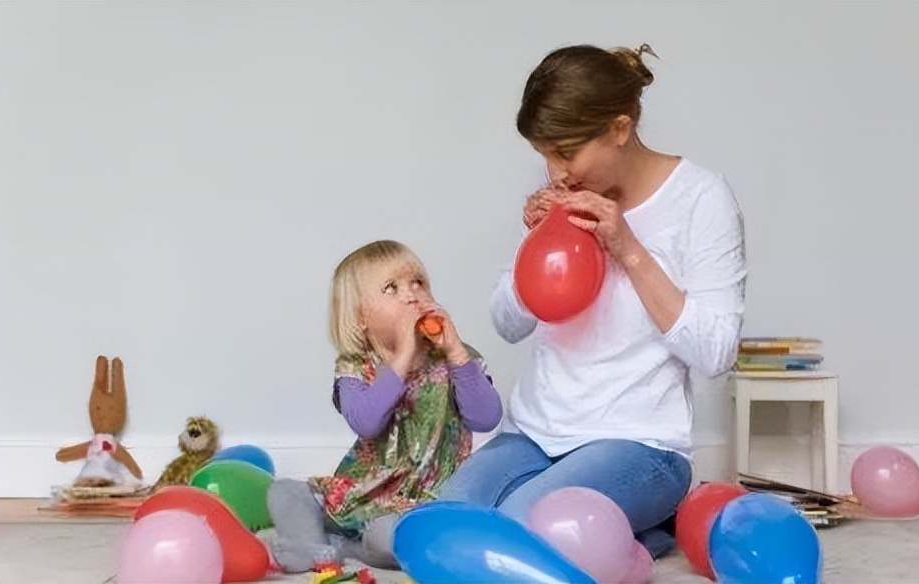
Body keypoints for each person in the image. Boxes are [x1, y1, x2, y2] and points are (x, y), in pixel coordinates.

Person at [437, 43, 747, 565]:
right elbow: (507, 324)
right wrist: (533, 249)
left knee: (522, 532)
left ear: (619, 128)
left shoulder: (701, 199)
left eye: (565, 152)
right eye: (543, 155)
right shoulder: (562, 195)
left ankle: (644, 522)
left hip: (640, 444)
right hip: (535, 434)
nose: (554, 173)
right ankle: (635, 533)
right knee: (448, 520)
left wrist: (627, 248)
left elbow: (717, 353)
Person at [264, 239, 503, 572]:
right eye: (392, 288)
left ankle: (346, 549)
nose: (411, 295)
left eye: (418, 283)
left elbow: (487, 418)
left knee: (396, 538)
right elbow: (366, 422)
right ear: (361, 317)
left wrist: (457, 353)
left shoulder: (456, 360)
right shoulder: (354, 367)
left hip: (420, 497)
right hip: (361, 489)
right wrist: (404, 355)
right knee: (284, 491)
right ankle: (311, 546)